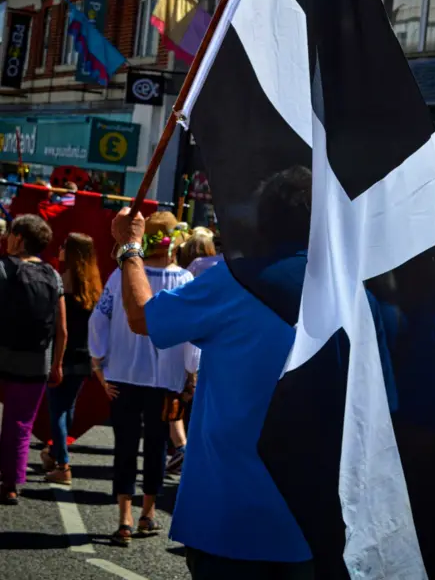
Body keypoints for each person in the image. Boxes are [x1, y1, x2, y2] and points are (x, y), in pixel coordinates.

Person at [111, 189, 316, 578]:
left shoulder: (239, 280)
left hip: (227, 511)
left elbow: (142, 317)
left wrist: (130, 248)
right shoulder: (351, 287)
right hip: (316, 516)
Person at [89, 211, 200, 547]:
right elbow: (193, 334)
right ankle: (147, 513)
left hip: (122, 373)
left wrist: (98, 362)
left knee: (124, 446)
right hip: (164, 378)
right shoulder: (184, 282)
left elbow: (100, 317)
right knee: (156, 447)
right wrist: (190, 372)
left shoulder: (120, 274)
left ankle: (124, 516)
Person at [0, 214, 67, 505]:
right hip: (36, 361)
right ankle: (11, 485)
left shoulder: (2, 268)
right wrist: (57, 364)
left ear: (19, 238)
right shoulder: (53, 275)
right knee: (20, 424)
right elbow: (62, 329)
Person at [41, 233, 103, 484]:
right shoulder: (94, 285)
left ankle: (63, 464)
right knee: (68, 408)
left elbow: (58, 326)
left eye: (65, 246)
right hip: (84, 354)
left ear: (73, 252)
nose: (60, 248)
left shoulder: (63, 281)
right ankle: (55, 452)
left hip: (63, 353)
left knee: (57, 408)